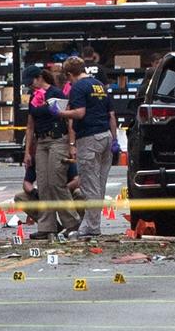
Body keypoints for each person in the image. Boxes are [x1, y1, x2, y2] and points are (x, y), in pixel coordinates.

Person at [53, 56, 118, 239]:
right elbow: (111, 114)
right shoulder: (99, 85)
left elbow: (80, 113)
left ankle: (89, 228)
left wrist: (60, 112)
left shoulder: (78, 87)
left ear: (69, 74)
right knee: (99, 185)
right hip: (106, 136)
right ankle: (93, 226)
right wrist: (114, 140)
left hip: (89, 138)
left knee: (90, 185)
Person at [22, 65, 81, 240]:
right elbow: (30, 125)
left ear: (40, 77)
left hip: (58, 140)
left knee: (56, 182)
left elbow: (68, 120)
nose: (30, 86)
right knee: (44, 184)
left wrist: (71, 145)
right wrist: (27, 151)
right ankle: (47, 227)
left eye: (31, 81)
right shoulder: (33, 97)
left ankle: (72, 224)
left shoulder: (56, 93)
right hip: (41, 142)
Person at [14, 161, 85, 224]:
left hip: (66, 193)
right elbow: (26, 182)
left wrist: (62, 190)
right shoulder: (37, 159)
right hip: (45, 194)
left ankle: (76, 225)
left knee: (79, 193)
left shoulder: (63, 157)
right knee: (20, 197)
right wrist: (34, 192)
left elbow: (77, 181)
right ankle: (50, 226)